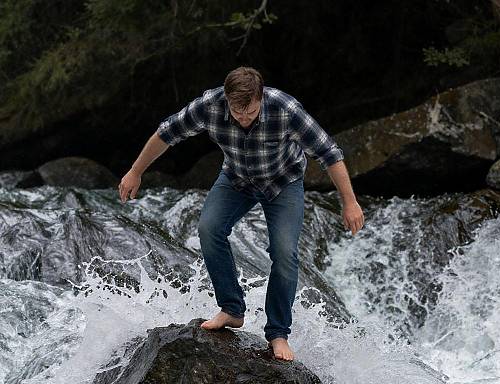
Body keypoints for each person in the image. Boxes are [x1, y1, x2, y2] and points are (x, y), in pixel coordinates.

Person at [118, 66, 364, 362]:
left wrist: (349, 202)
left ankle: (277, 333)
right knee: (209, 229)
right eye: (237, 113)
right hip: (236, 179)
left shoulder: (285, 109)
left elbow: (329, 153)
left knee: (285, 253)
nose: (244, 119)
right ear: (227, 99)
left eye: (251, 112)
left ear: (262, 98)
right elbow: (167, 132)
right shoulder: (209, 106)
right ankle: (232, 309)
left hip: (282, 183)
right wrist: (135, 172)